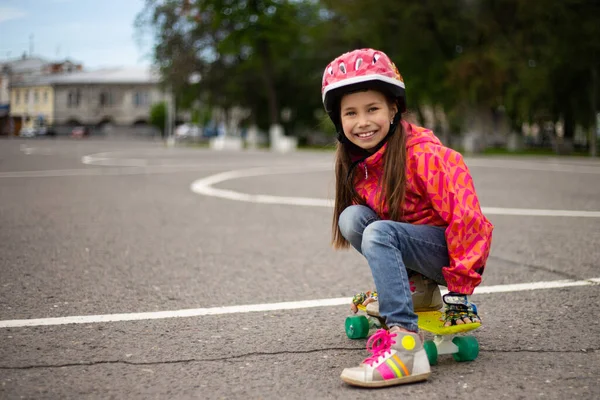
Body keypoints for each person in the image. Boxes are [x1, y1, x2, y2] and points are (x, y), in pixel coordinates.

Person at [321, 48, 494, 388]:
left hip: (446, 252)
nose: (363, 122)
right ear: (339, 120)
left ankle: (406, 347)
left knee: (379, 233)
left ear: (394, 108)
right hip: (412, 247)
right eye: (351, 113)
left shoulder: (426, 155)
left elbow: (468, 219)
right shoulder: (361, 164)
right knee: (352, 219)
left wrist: (459, 289)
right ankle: (417, 290)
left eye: (372, 109)